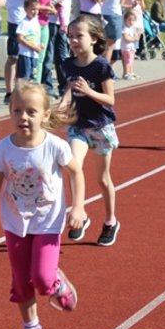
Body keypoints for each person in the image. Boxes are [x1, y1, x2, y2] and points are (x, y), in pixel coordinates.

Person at [0, 81, 87, 329]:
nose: (23, 117)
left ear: (45, 115)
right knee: (20, 279)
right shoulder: (3, 149)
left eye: (30, 111)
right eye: (17, 111)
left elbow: (75, 172)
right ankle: (31, 328)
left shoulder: (55, 146)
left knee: (41, 277)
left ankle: (55, 281)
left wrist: (78, 207)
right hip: (15, 222)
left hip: (47, 221)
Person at [59, 15, 121, 247]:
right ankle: (80, 212)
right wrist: (62, 104)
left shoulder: (101, 66)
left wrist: (89, 91)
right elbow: (70, 86)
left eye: (79, 36)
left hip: (100, 127)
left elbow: (110, 99)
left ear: (94, 39)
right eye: (71, 36)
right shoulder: (68, 64)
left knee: (103, 179)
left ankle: (110, 221)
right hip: (78, 125)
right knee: (73, 164)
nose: (74, 40)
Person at [2, 0, 51, 103]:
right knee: (15, 57)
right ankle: (10, 92)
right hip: (18, 19)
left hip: (33, 21)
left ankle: (22, 91)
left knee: (30, 59)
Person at [45, 0, 77, 95]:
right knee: (48, 54)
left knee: (62, 55)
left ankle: (64, 86)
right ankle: (47, 86)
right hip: (49, 18)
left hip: (63, 21)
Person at [15, 0, 43, 83]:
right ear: (26, 9)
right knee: (24, 78)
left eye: (37, 9)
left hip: (34, 55)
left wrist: (40, 44)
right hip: (25, 54)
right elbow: (20, 38)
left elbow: (36, 36)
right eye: (33, 9)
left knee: (32, 77)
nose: (35, 12)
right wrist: (33, 47)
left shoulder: (35, 21)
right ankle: (20, 95)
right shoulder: (24, 22)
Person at [120, 10, 140, 80]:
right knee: (127, 60)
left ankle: (131, 72)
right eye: (129, 20)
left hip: (132, 47)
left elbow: (137, 37)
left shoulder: (132, 28)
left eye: (133, 20)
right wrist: (134, 39)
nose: (131, 22)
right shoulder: (125, 28)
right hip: (126, 48)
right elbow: (126, 38)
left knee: (131, 60)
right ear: (125, 20)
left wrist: (136, 36)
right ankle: (126, 73)